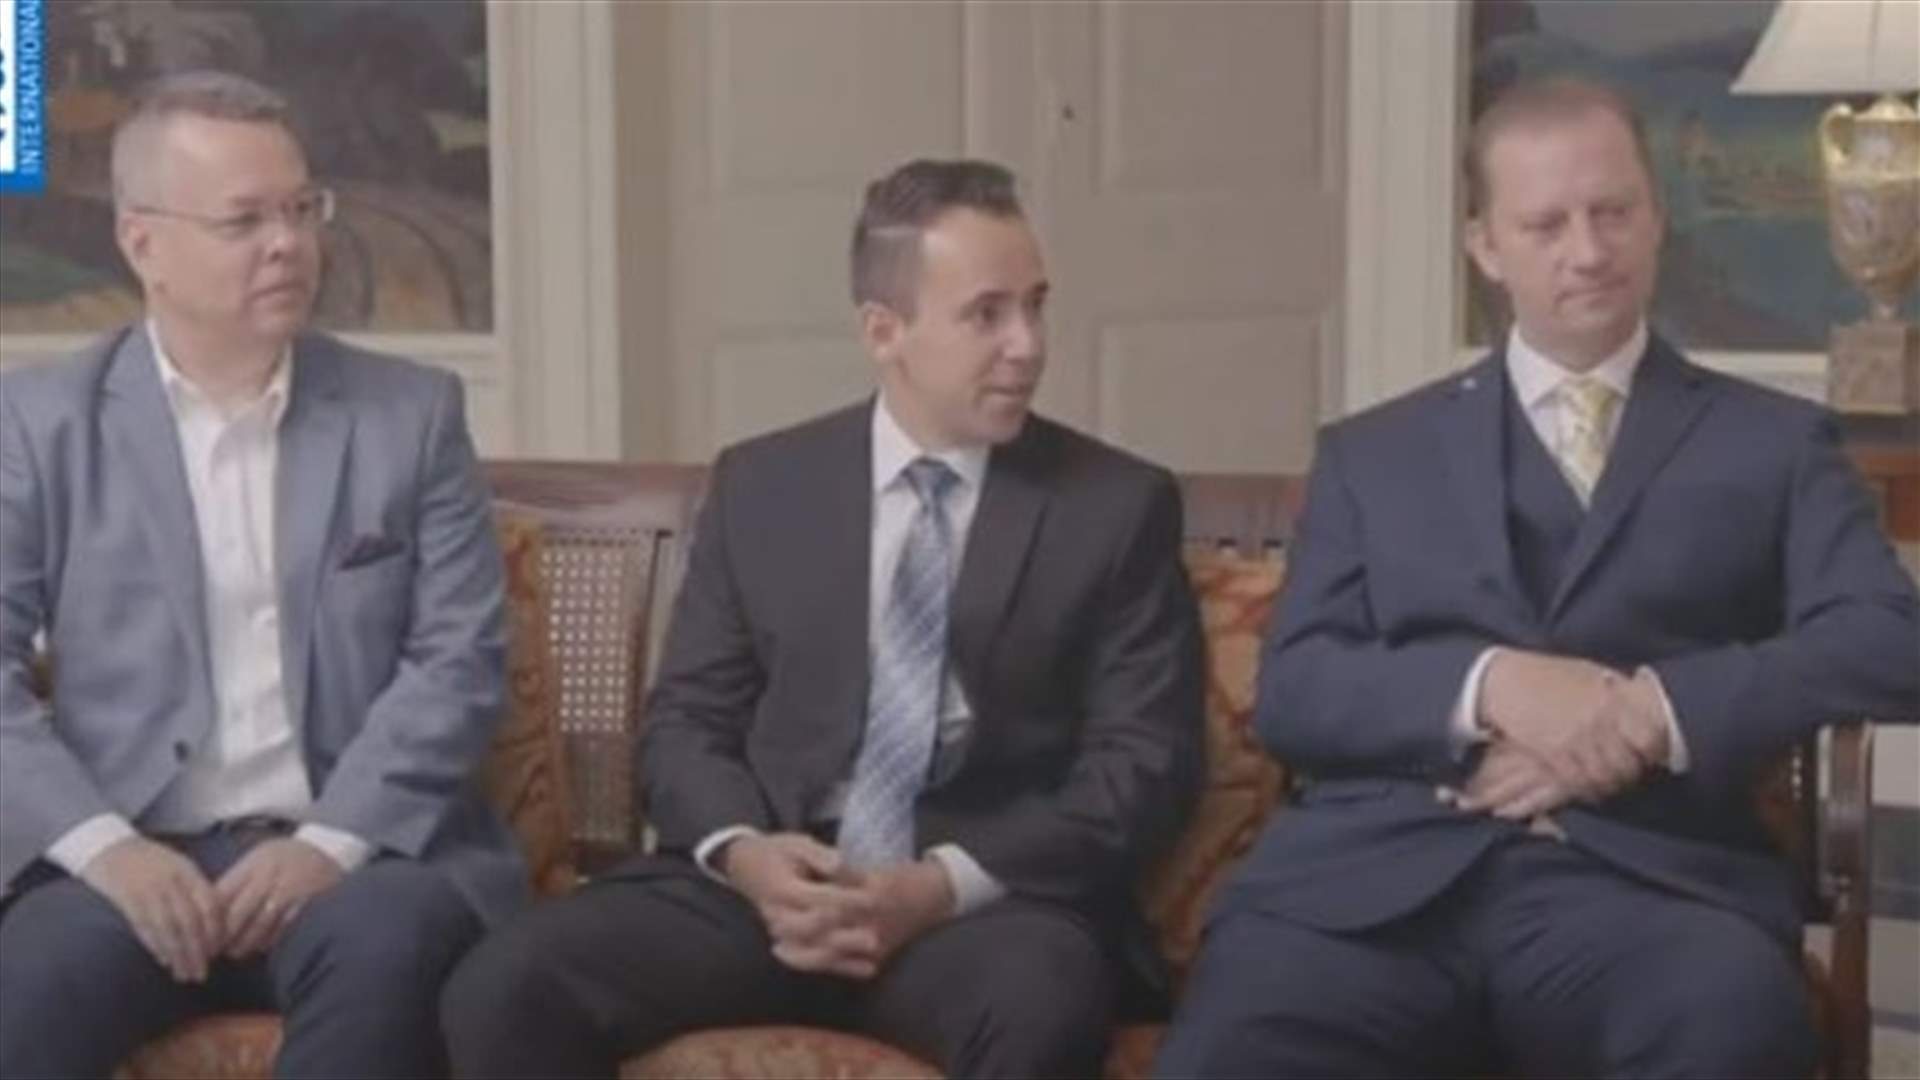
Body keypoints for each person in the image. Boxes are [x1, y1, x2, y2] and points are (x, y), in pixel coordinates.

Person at [1157, 77, 1920, 1078]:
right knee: (1237, 1049)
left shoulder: (1774, 444)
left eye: (1613, 212)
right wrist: (1493, 685)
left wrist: (1649, 712)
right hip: (1371, 894)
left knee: (1729, 1031)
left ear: (1657, 217)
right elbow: (1299, 689)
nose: (1588, 251)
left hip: (1652, 895)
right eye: (1547, 224)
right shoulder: (1372, 455)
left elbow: (1889, 640)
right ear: (1485, 245)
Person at [441, 158, 1206, 1078]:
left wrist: (935, 886)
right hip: (765, 894)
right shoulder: (766, 485)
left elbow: (1141, 768)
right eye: (987, 314)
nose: (1028, 345)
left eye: (1036, 307)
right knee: (506, 985)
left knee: (1044, 1002)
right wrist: (747, 856)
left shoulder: (1113, 507)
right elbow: (685, 726)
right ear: (884, 331)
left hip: (980, 911)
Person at [0, 70, 520, 1078]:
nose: (288, 243)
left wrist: (330, 842)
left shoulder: (409, 416)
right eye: (245, 221)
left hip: (357, 855)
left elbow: (457, 664)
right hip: (132, 853)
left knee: (387, 954)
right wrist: (104, 848)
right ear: (142, 243)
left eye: (301, 209)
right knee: (32, 981)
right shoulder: (39, 425)